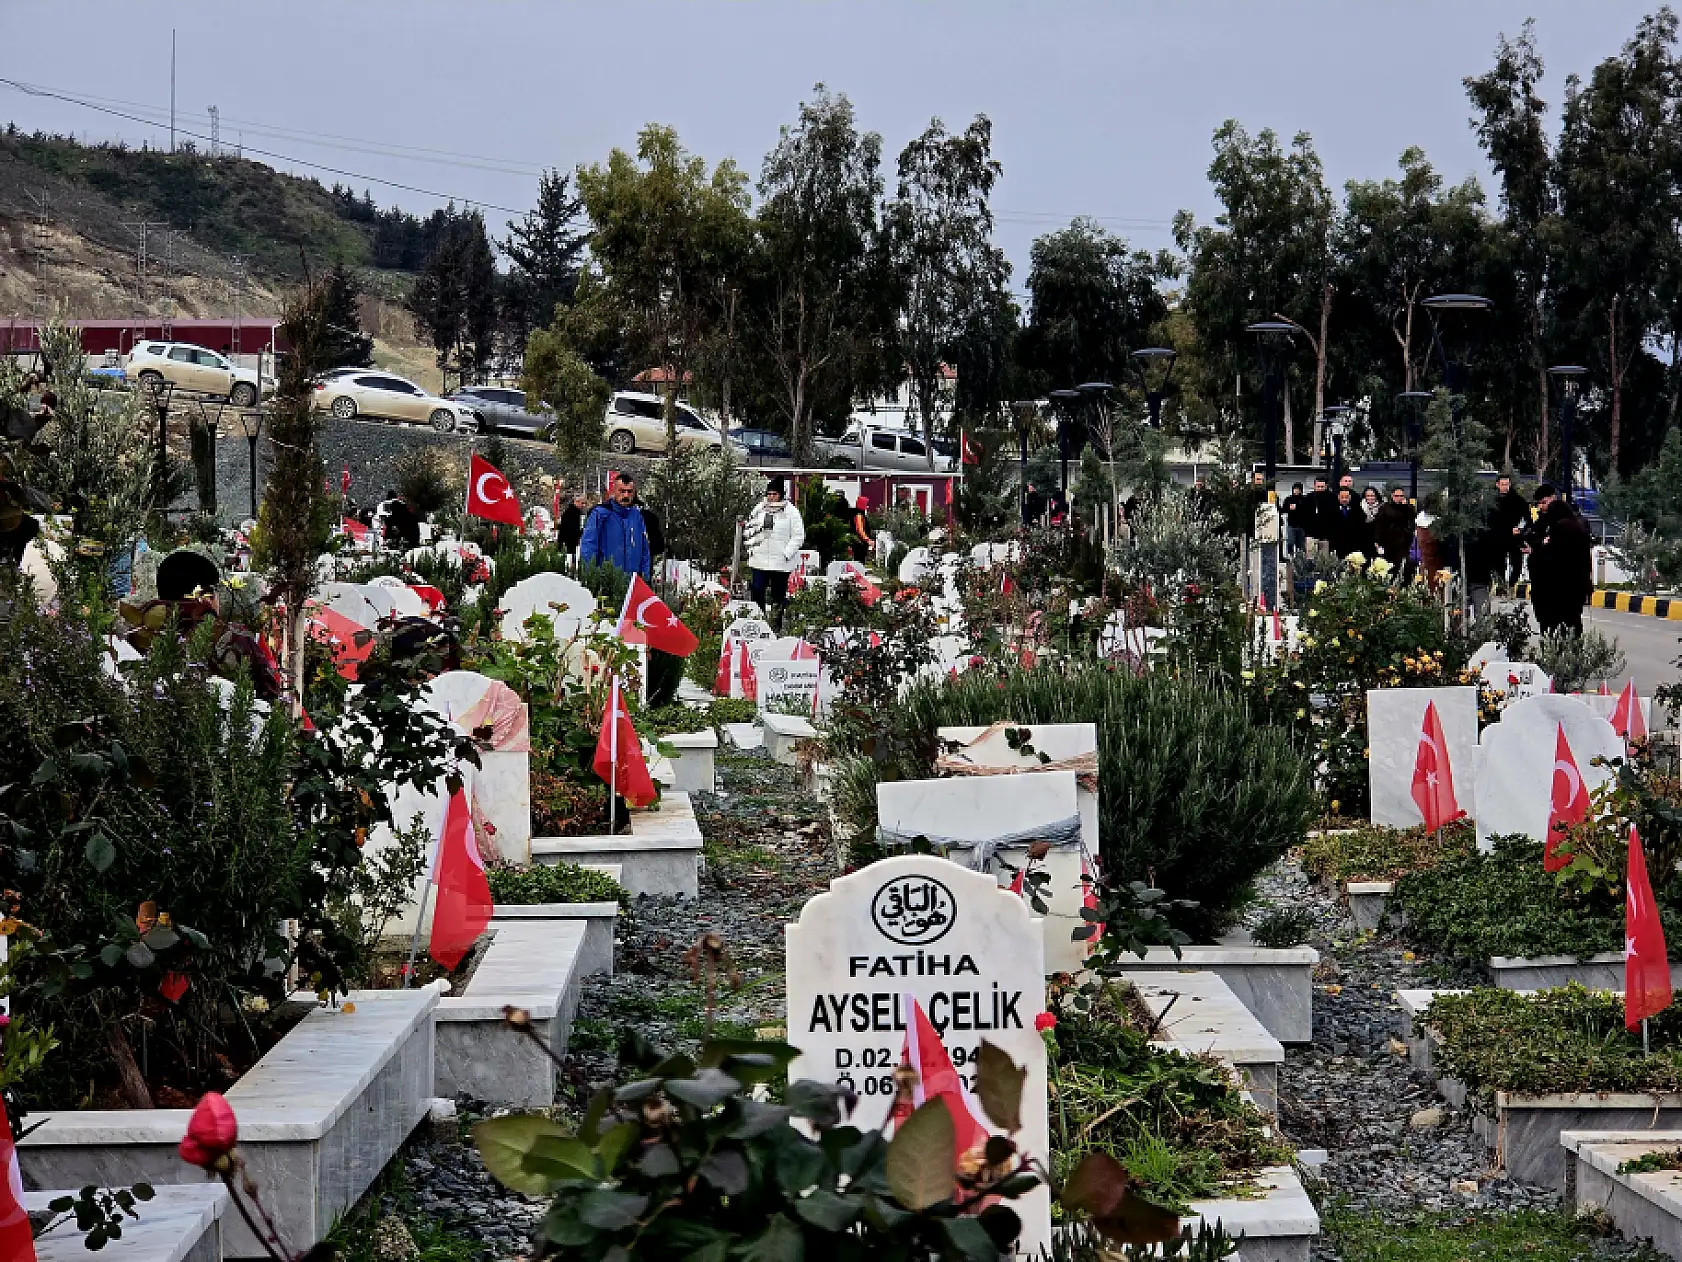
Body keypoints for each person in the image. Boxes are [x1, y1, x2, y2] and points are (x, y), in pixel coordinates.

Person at [1526, 483, 1593, 636]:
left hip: (1555, 591)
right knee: (1570, 627)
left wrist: (1536, 551)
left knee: (1556, 630)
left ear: (1553, 498)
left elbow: (1552, 559)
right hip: (1571, 590)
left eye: (1544, 502)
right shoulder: (1570, 525)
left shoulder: (1562, 527)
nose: (1542, 507)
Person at [744, 476, 805, 628]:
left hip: (780, 563)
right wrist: (752, 550)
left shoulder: (791, 512)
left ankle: (776, 625)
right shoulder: (759, 509)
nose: (771, 497)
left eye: (774, 494)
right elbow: (749, 530)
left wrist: (787, 553)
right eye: (769, 494)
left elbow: (798, 535)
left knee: (778, 596)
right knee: (757, 590)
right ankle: (759, 622)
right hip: (759, 560)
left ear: (781, 494)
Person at [580, 473, 652, 577]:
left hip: (632, 583)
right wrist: (589, 577)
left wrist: (645, 578)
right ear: (614, 491)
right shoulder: (600, 514)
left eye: (629, 491)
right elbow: (588, 547)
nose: (626, 495)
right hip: (607, 581)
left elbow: (645, 550)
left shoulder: (637, 516)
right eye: (622, 491)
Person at [1488, 474, 1530, 585]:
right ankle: (1500, 585)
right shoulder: (1492, 501)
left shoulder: (1517, 500)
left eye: (1507, 484)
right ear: (1498, 485)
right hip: (1498, 537)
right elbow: (1489, 520)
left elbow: (1526, 518)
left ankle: (1512, 584)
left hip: (1514, 537)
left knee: (1517, 563)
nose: (1505, 487)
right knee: (1498, 562)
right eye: (1503, 484)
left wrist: (1520, 529)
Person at [1373, 486, 1416, 576]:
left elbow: (1411, 519)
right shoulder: (1385, 507)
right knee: (1388, 566)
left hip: (1403, 542)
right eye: (1397, 496)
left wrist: (1404, 507)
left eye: (1401, 496)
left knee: (1402, 565)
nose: (1399, 498)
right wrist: (1377, 540)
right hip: (1388, 541)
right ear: (1392, 496)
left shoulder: (1408, 508)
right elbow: (1379, 524)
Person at [1326, 487, 1374, 561]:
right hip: (1337, 546)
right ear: (1338, 497)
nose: (1344, 499)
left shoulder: (1357, 510)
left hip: (1353, 547)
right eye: (1342, 497)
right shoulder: (1331, 510)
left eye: (1346, 497)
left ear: (1350, 497)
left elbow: (1362, 529)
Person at [1281, 482, 1308, 554]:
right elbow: (1283, 509)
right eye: (1295, 489)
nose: (1296, 491)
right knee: (1290, 542)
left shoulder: (1304, 499)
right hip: (1291, 525)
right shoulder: (1288, 499)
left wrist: (1297, 508)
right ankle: (1290, 556)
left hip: (1302, 525)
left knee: (1301, 545)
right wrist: (1289, 508)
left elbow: (1307, 510)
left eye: (1298, 489)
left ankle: (1300, 560)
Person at [849, 496, 874, 563]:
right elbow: (860, 529)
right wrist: (867, 540)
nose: (867, 506)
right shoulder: (859, 515)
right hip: (859, 543)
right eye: (866, 504)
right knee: (859, 561)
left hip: (859, 542)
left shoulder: (858, 514)